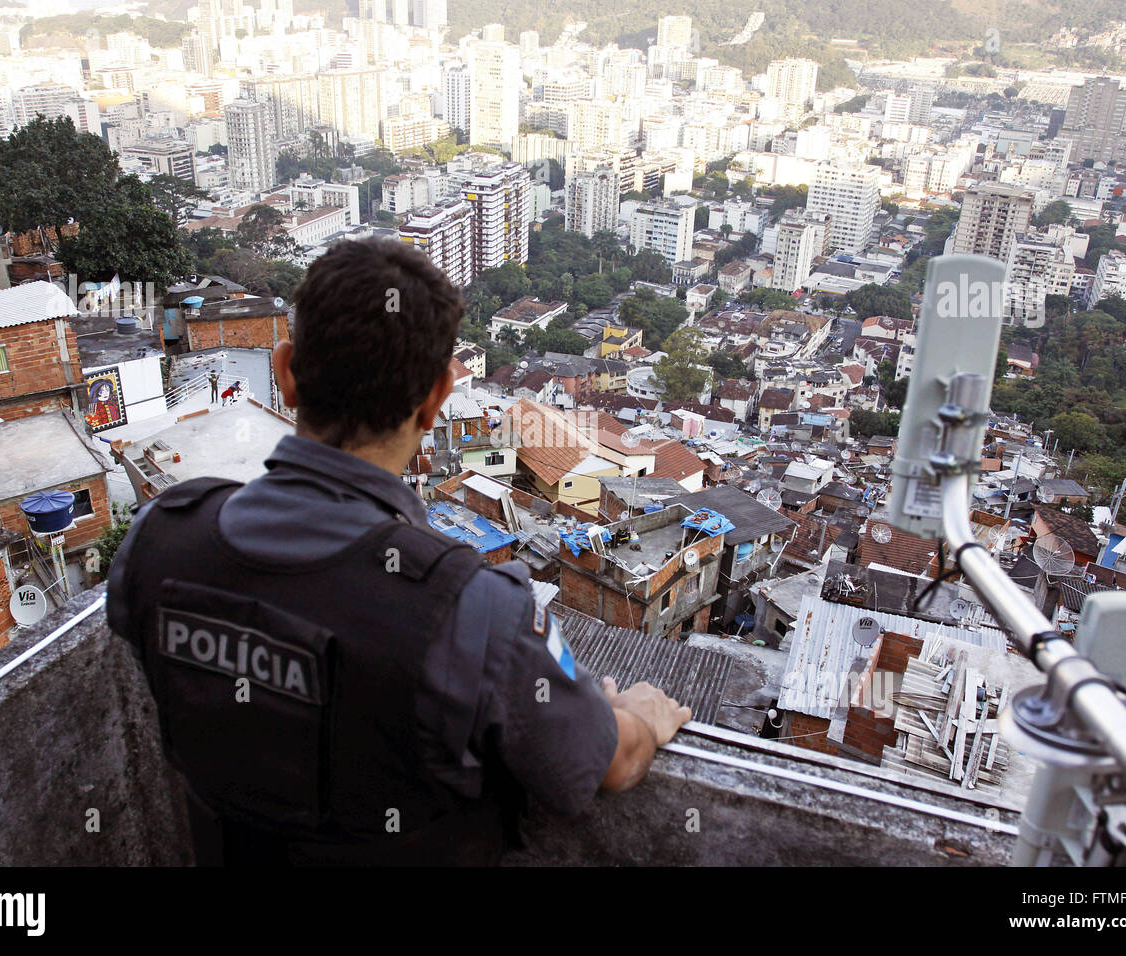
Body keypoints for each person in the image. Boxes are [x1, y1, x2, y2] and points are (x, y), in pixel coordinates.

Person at [105, 238, 690, 866]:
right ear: (438, 397)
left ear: (285, 373)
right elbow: (609, 761)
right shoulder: (472, 613)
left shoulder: (161, 539)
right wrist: (640, 715)